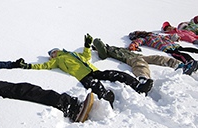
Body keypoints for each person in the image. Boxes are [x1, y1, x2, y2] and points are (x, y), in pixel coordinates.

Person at [23, 34, 154, 104]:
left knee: (115, 74)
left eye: (54, 52)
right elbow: (43, 65)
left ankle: (138, 86)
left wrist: (86, 46)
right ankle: (105, 96)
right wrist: (29, 65)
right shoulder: (57, 61)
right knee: (94, 85)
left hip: (93, 70)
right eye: (52, 54)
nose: (54, 54)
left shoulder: (71, 54)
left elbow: (86, 56)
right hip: (82, 75)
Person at [92, 37, 198, 78]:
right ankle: (143, 79)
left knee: (159, 58)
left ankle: (181, 65)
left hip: (138, 55)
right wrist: (96, 42)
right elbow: (102, 54)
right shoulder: (107, 52)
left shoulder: (114, 47)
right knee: (140, 65)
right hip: (130, 59)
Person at [128, 31, 198, 69]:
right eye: (138, 32)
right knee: (181, 55)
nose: (141, 32)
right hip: (167, 48)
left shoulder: (154, 34)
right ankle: (190, 63)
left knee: (191, 49)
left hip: (174, 45)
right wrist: (133, 45)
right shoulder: (145, 38)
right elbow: (138, 42)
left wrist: (174, 37)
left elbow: (167, 37)